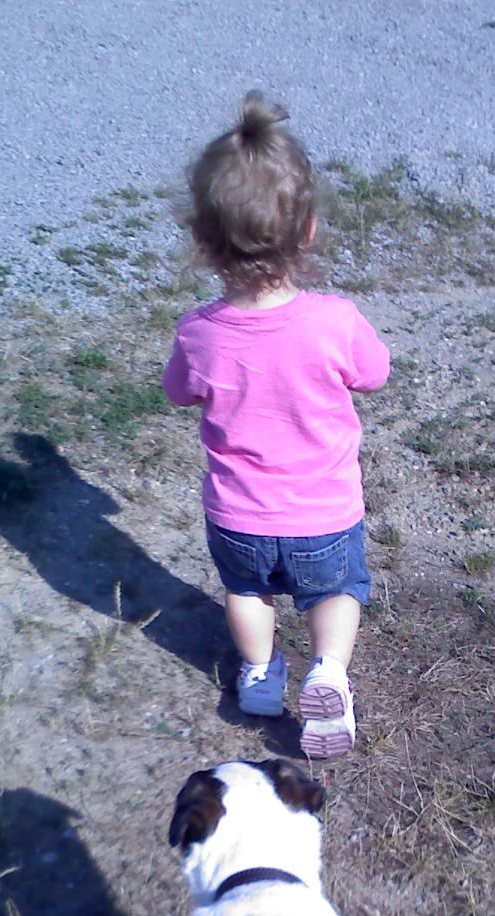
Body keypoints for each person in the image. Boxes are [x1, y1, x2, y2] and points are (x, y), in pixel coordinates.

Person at [162, 91, 390, 759]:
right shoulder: (335, 321)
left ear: (202, 241)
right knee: (337, 591)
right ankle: (328, 674)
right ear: (308, 231)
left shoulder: (198, 332)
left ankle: (260, 676)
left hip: (238, 517)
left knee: (246, 592)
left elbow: (177, 393)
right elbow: (374, 372)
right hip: (323, 515)